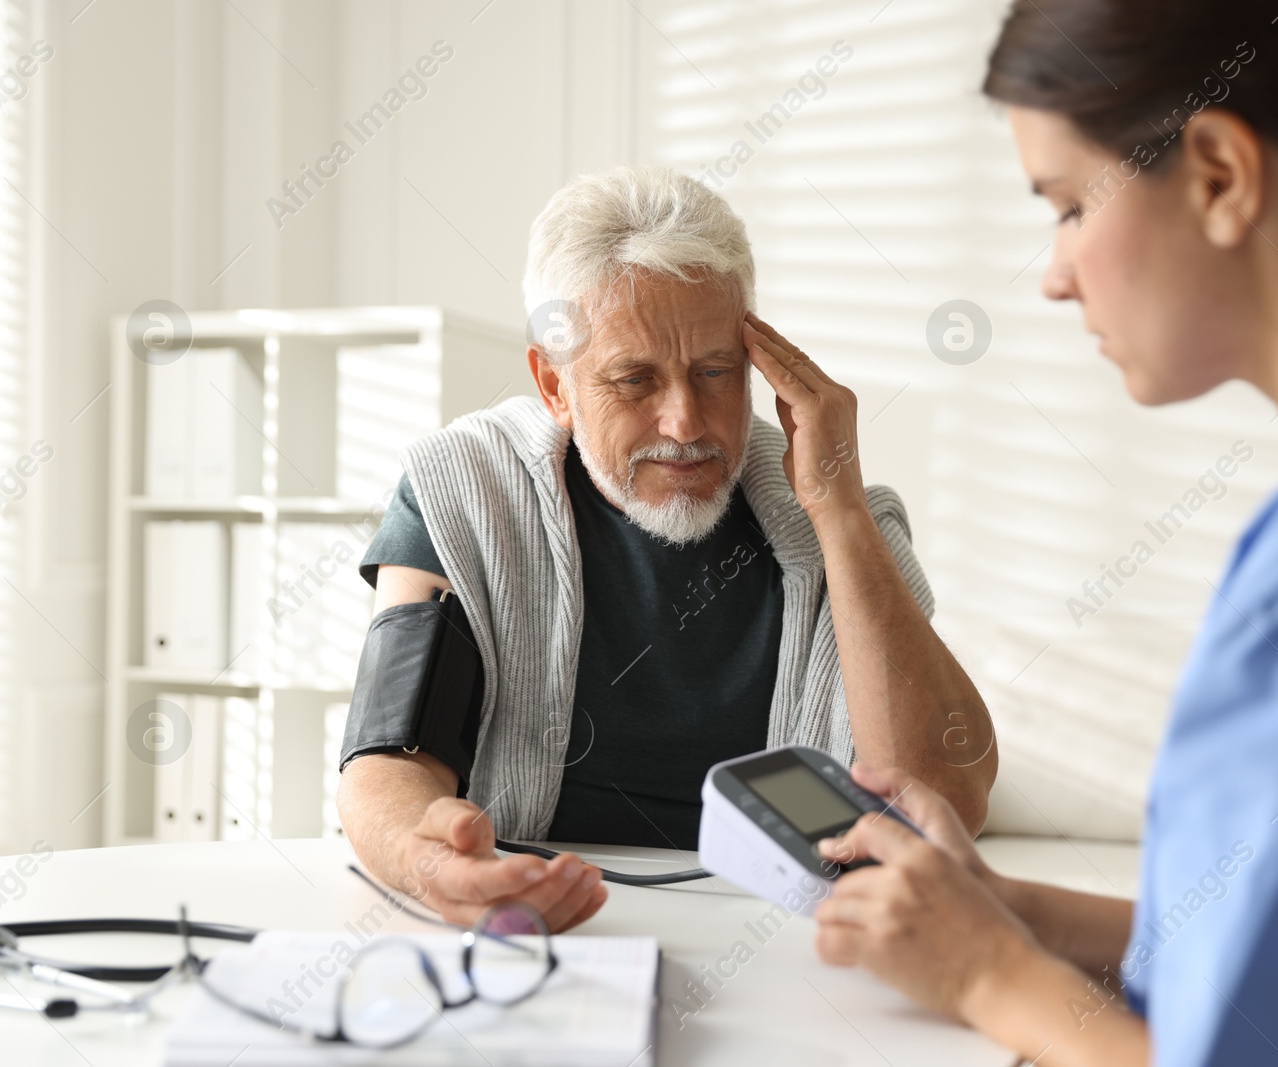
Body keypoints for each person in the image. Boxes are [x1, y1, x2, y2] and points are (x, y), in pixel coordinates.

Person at [805, 0, 1278, 1063]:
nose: (1055, 274)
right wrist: (1005, 908)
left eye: (1067, 205)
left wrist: (989, 976)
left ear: (1216, 173)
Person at [336, 166, 996, 931]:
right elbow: (389, 755)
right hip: (546, 920)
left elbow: (943, 800)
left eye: (715, 371)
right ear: (554, 384)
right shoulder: (462, 489)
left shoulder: (844, 521)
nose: (685, 423)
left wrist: (839, 508)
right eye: (635, 379)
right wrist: (435, 867)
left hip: (776, 927)